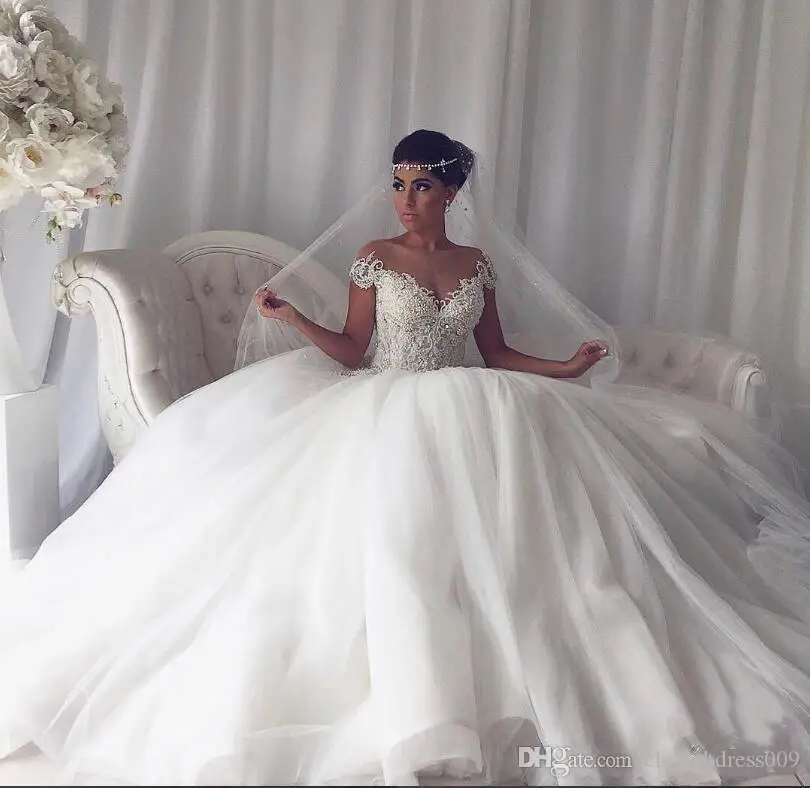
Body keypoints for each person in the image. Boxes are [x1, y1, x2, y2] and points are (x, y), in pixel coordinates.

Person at [0, 129, 809, 787]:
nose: (406, 197)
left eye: (421, 184)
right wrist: (292, 319)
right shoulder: (375, 257)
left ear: (452, 192)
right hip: (383, 402)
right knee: (395, 546)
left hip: (475, 400)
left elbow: (495, 352)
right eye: (398, 183)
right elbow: (355, 351)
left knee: (533, 546)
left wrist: (565, 368)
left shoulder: (475, 265)